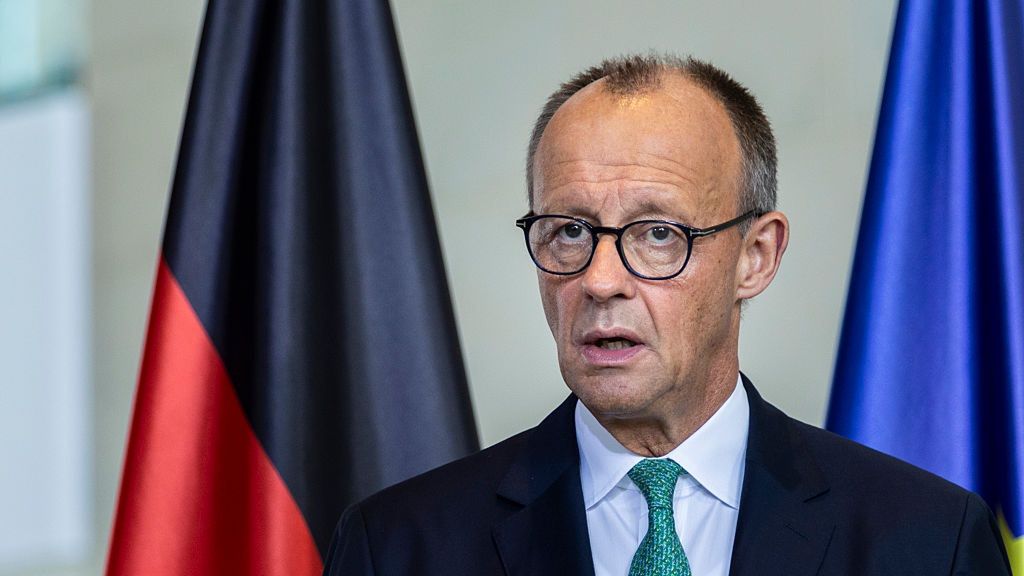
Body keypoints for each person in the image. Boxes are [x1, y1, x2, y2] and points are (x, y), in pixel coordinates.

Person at [322, 54, 1010, 575]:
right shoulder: (398, 546)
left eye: (657, 234)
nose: (598, 280)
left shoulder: (929, 540)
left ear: (756, 257)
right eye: (568, 231)